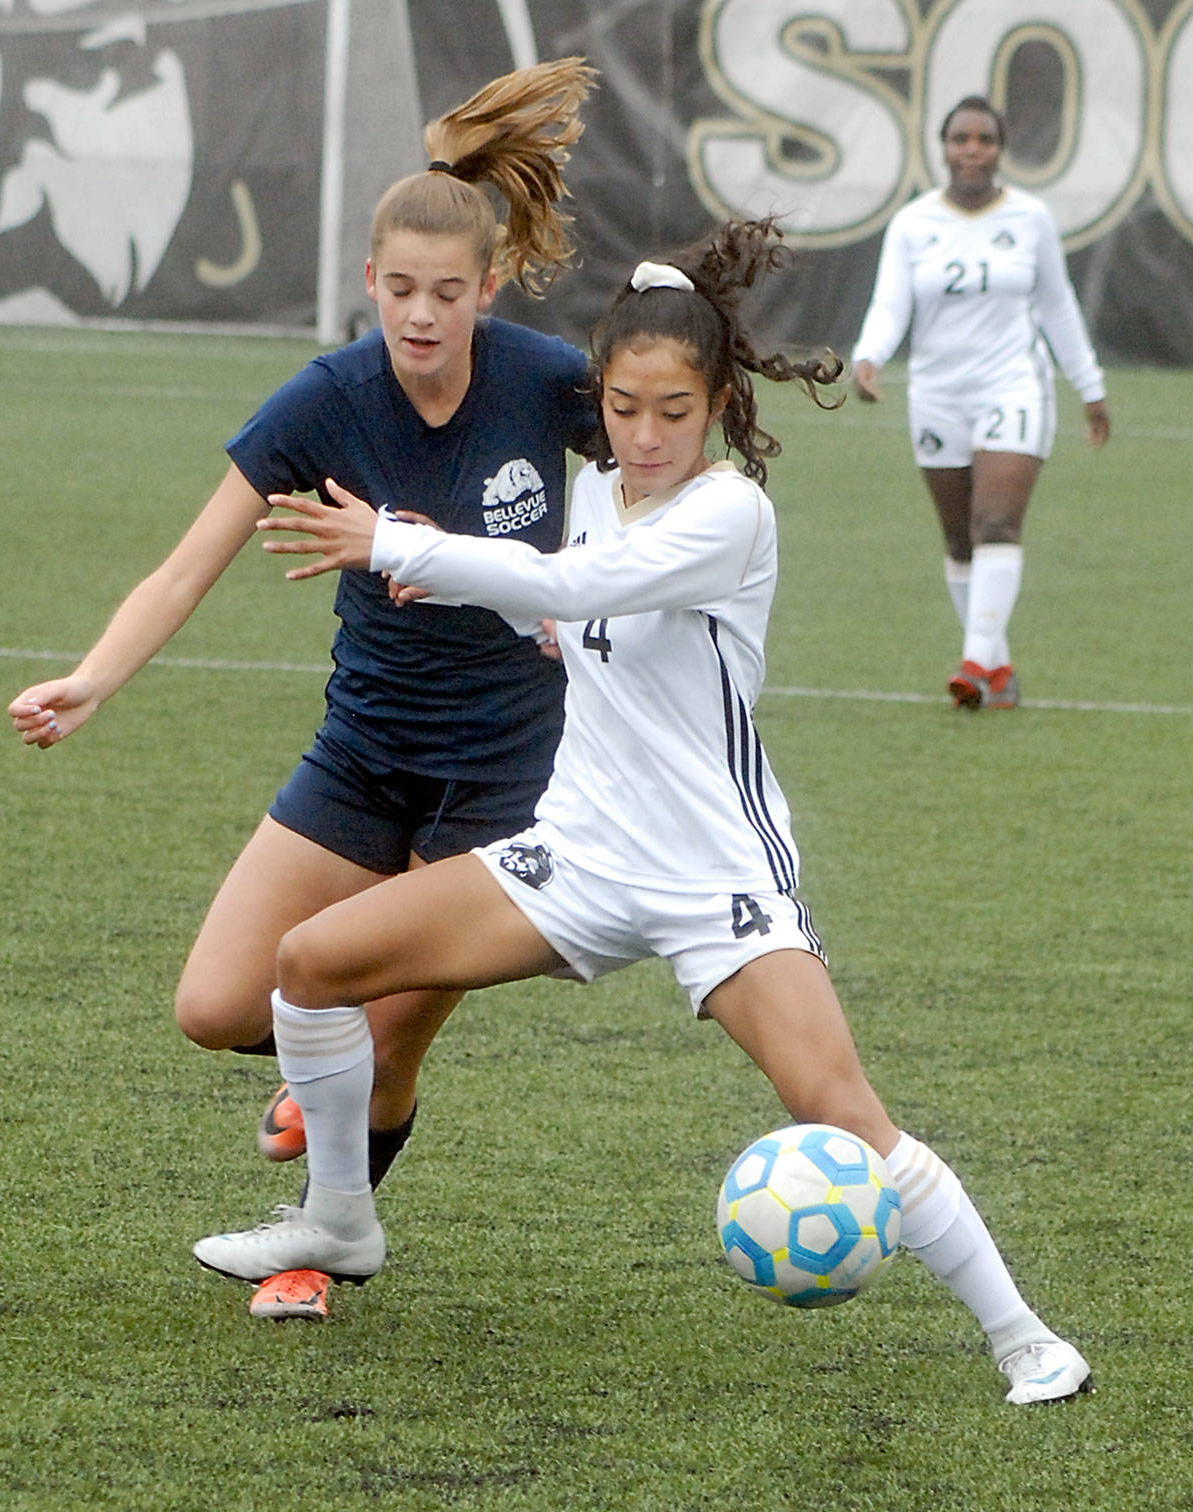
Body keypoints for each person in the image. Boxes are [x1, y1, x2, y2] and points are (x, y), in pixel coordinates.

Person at [193, 218, 1092, 1405]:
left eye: (673, 410)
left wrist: (398, 540)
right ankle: (340, 1225)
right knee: (309, 963)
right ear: (598, 401)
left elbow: (574, 584)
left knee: (835, 1106)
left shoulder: (731, 515)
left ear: (716, 404)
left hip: (709, 873)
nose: (644, 435)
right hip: (574, 854)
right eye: (621, 408)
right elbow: (568, 617)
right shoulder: (600, 493)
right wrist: (490, 597)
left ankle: (1024, 1337)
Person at [8, 58, 600, 1321]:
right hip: (364, 755)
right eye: (398, 290)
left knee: (377, 1036)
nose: (421, 316)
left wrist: (577, 593)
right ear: (368, 285)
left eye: (447, 292)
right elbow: (187, 566)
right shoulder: (327, 397)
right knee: (217, 1005)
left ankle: (314, 1248)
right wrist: (93, 680)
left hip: (504, 782)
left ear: (485, 290)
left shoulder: (544, 377)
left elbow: (653, 481)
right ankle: (321, 1136)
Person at [850, 95, 1110, 710]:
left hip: (1013, 384)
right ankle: (997, 668)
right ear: (943, 147)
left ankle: (971, 661)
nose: (972, 149)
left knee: (996, 523)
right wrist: (870, 356)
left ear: (1001, 148)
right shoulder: (913, 223)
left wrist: (1090, 387)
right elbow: (892, 303)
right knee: (961, 541)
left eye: (984, 139)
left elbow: (1057, 305)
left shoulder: (1031, 219)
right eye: (960, 138)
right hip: (938, 392)